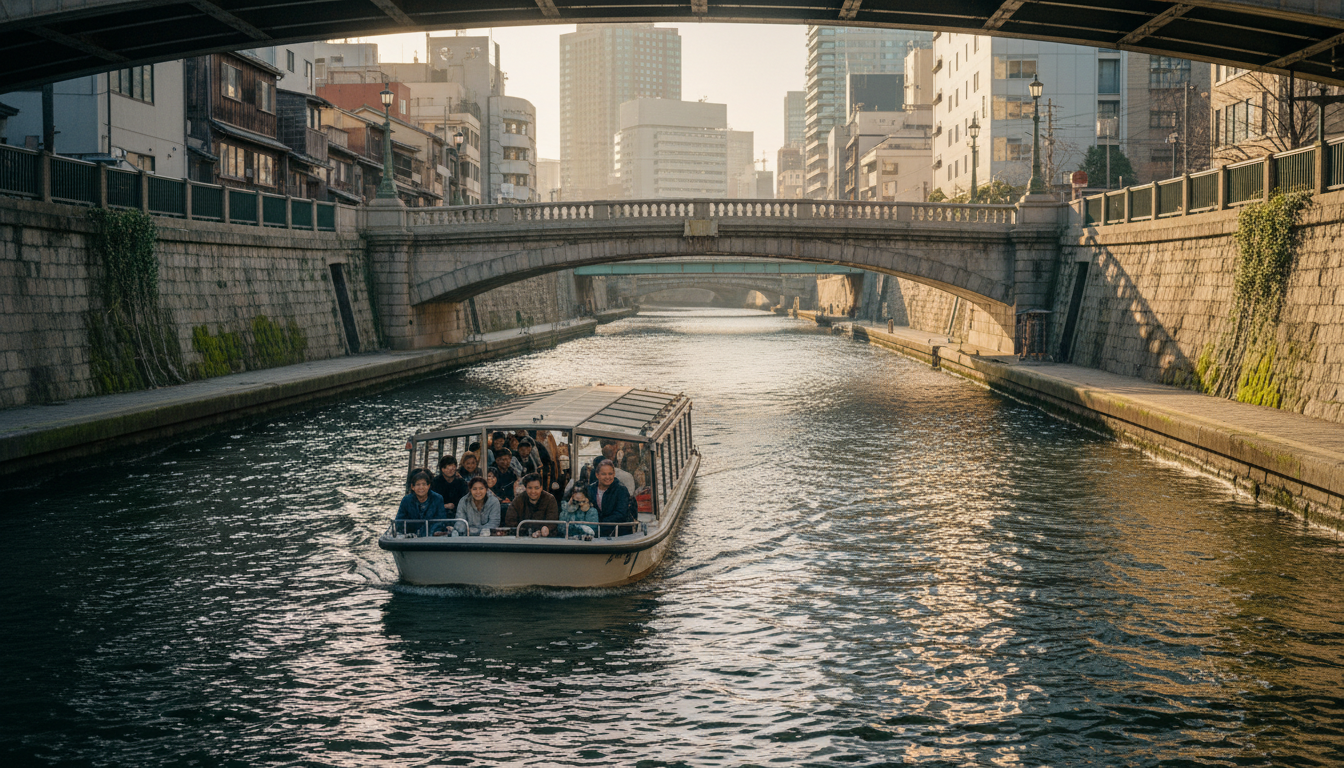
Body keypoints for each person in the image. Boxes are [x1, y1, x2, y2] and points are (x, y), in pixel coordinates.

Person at [505, 473, 561, 537]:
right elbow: (510, 521)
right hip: (522, 538)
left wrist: (545, 529)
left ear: (541, 488)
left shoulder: (550, 499)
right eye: (530, 488)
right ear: (525, 488)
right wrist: (524, 532)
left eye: (536, 488)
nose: (533, 491)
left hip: (545, 538)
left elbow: (552, 521)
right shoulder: (518, 500)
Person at [394, 469, 447, 537]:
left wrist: (430, 533)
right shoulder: (406, 500)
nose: (421, 488)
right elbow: (399, 521)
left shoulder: (438, 499)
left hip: (432, 536)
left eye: (424, 484)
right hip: (411, 536)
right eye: (418, 485)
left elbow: (441, 520)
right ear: (412, 487)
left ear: (429, 486)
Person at [588, 459, 634, 536]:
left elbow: (620, 513)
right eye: (603, 474)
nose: (607, 477)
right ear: (597, 475)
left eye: (610, 474)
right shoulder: (590, 489)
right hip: (596, 532)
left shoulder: (621, 489)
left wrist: (600, 524)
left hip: (619, 533)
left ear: (614, 474)